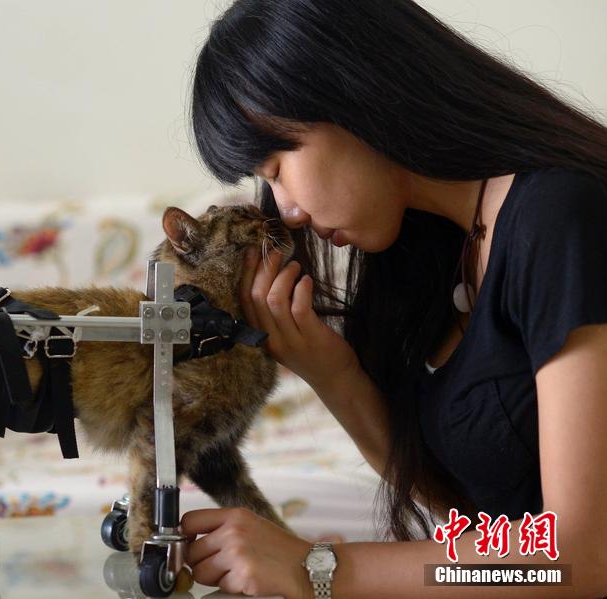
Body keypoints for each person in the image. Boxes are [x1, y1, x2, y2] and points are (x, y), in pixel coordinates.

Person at [180, 0, 607, 597]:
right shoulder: (438, 250)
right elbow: (490, 524)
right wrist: (333, 372)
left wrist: (317, 569)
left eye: (277, 168)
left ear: (352, 95)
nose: (288, 210)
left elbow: (578, 558)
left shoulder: (558, 218)